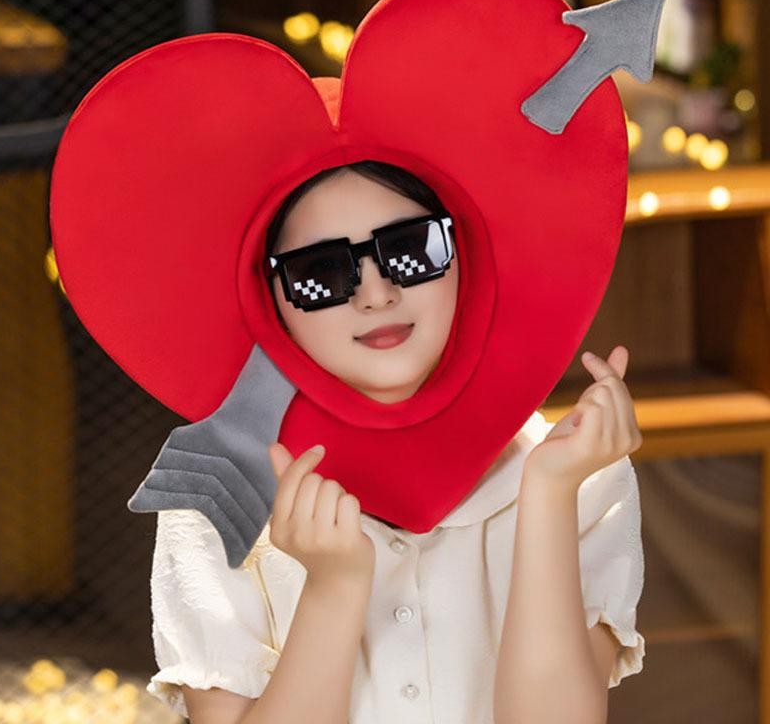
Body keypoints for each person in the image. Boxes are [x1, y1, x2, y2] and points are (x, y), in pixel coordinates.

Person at [145, 160, 646, 724]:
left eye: (410, 249)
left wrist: (551, 492)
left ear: (463, 252)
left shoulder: (578, 469)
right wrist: (332, 588)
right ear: (269, 298)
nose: (377, 294)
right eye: (321, 272)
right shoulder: (216, 495)